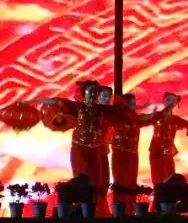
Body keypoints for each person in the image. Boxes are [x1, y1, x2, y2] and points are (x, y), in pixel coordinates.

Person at [29, 81, 123, 214]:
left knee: (97, 181)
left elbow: (120, 112)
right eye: (90, 92)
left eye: (95, 93)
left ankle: (97, 210)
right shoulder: (78, 107)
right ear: (84, 94)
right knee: (82, 179)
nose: (93, 95)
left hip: (95, 150)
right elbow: (56, 102)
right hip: (80, 149)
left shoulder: (101, 109)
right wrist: (32, 101)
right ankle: (81, 211)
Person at [109, 93, 156, 206]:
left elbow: (144, 118)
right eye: (130, 103)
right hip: (120, 152)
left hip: (133, 153)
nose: (133, 105)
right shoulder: (120, 115)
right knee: (121, 180)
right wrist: (144, 107)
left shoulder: (134, 116)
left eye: (134, 103)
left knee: (131, 180)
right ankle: (120, 207)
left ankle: (130, 207)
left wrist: (148, 110)